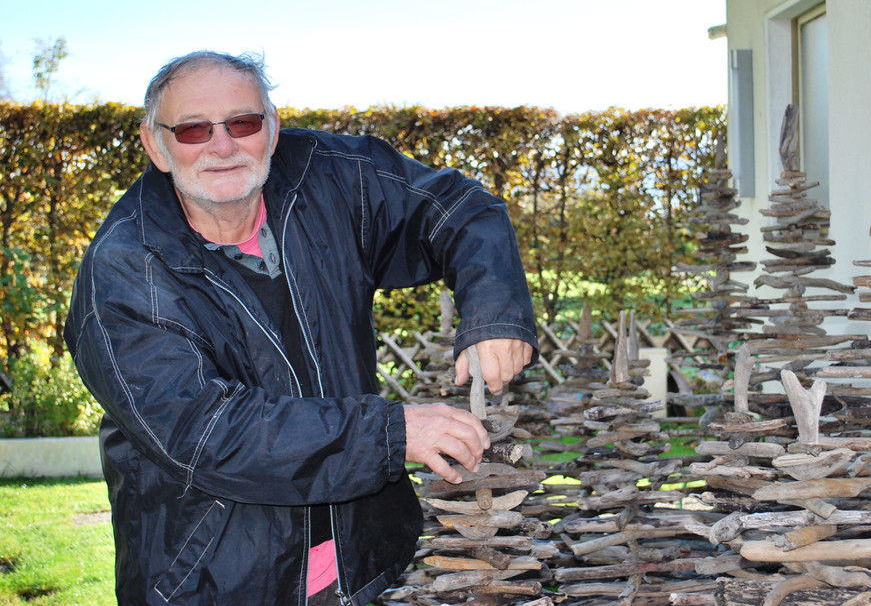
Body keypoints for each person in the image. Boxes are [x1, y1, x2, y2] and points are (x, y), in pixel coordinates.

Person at [64, 50, 538, 606]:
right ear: (156, 145)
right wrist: (392, 433)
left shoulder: (329, 177)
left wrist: (492, 311)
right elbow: (208, 435)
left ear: (271, 127)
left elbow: (459, 208)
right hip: (216, 584)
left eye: (243, 122)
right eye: (193, 129)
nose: (223, 146)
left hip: (356, 565)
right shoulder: (123, 269)